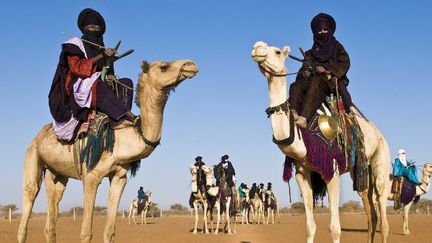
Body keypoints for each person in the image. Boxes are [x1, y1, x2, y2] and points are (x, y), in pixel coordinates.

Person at [48, 8, 137, 141]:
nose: (93, 29)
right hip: (77, 85)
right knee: (98, 85)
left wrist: (109, 74)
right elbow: (77, 68)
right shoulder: (74, 45)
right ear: (83, 28)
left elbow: (106, 71)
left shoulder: (102, 47)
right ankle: (125, 116)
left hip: (97, 81)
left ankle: (115, 120)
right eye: (90, 26)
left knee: (126, 83)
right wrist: (101, 56)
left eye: (96, 26)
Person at [288, 13, 353, 128]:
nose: (322, 32)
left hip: (330, 81)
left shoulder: (337, 47)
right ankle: (293, 112)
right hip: (312, 80)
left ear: (330, 30)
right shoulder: (309, 54)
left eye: (325, 29)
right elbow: (301, 73)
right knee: (295, 86)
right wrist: (305, 73)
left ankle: (304, 118)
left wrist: (327, 70)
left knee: (316, 82)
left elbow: (345, 63)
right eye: (319, 30)